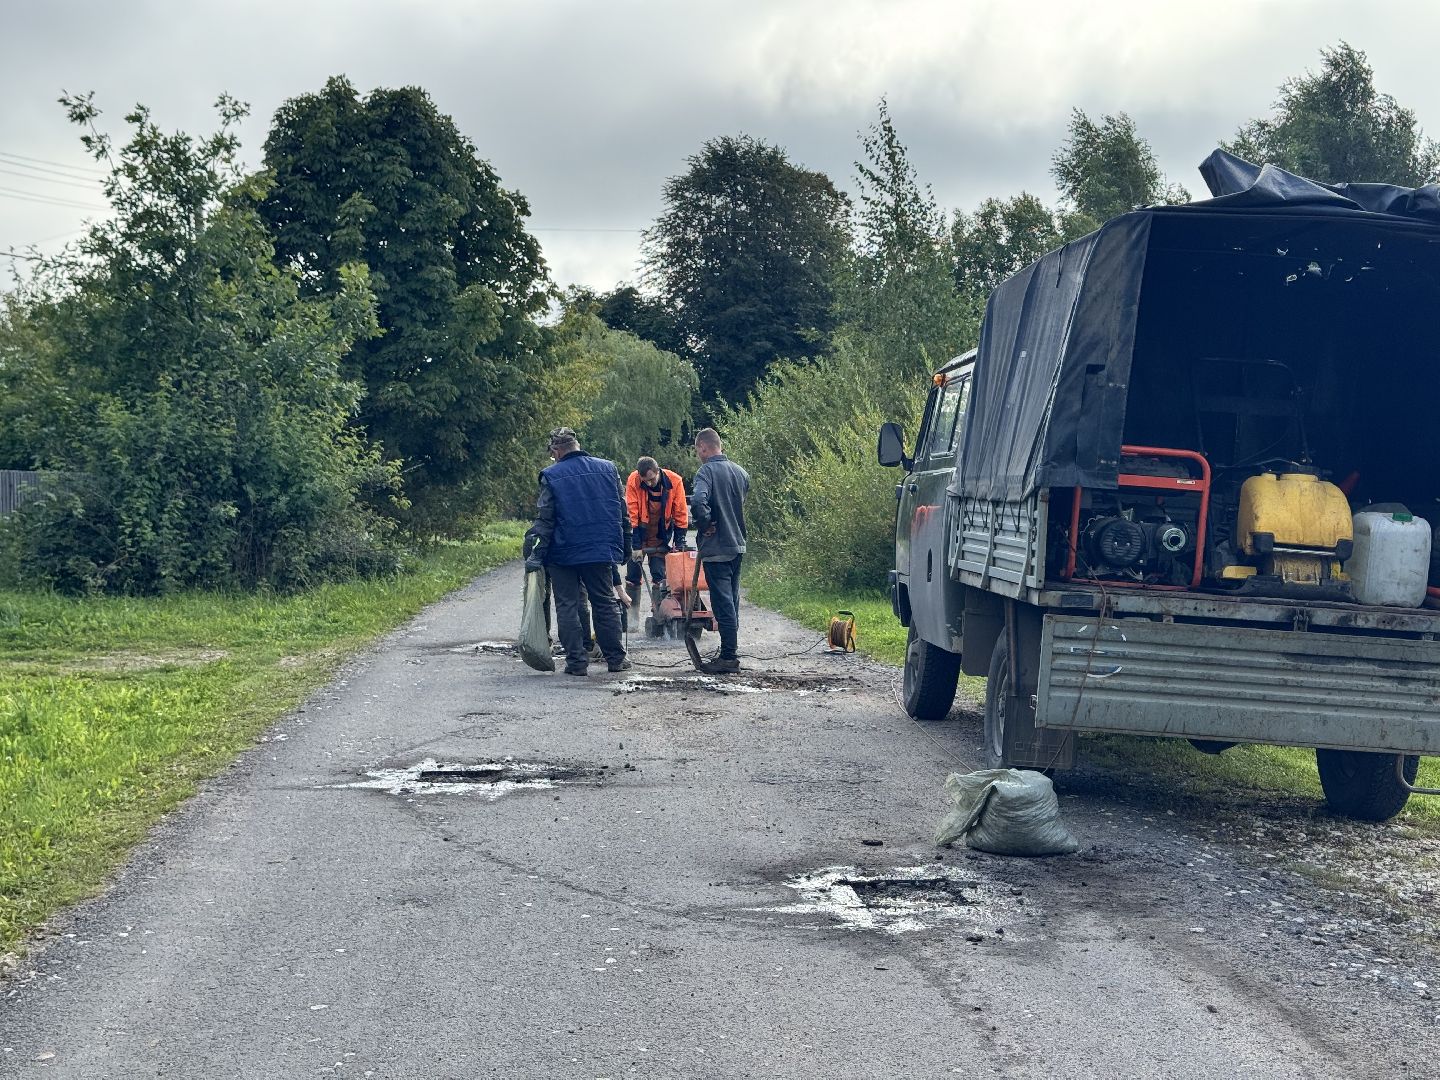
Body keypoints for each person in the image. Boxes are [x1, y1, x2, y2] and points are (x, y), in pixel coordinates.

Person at [523, 427, 630, 676]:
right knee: (604, 602)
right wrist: (626, 544)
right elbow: (622, 512)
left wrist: (537, 554)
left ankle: (576, 663)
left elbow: (546, 519)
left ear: (557, 450)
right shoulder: (608, 469)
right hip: (599, 550)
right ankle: (616, 659)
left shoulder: (551, 475)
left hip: (563, 553)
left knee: (567, 605)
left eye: (552, 453)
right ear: (577, 446)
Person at [689, 427, 749, 673]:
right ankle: (729, 651)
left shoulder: (706, 472)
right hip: (737, 544)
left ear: (703, 447)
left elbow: (697, 501)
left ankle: (728, 657)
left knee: (723, 602)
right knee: (731, 600)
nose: (699, 456)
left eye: (698, 451)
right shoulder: (740, 472)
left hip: (717, 548)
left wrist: (705, 525)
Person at [624, 456, 689, 605]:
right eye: (645, 481)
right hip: (640, 533)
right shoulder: (634, 480)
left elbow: (680, 513)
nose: (649, 483)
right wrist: (636, 546)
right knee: (632, 575)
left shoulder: (675, 481)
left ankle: (659, 612)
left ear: (658, 471)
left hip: (660, 535)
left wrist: (679, 543)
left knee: (659, 575)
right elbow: (633, 513)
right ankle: (632, 614)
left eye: (652, 479)